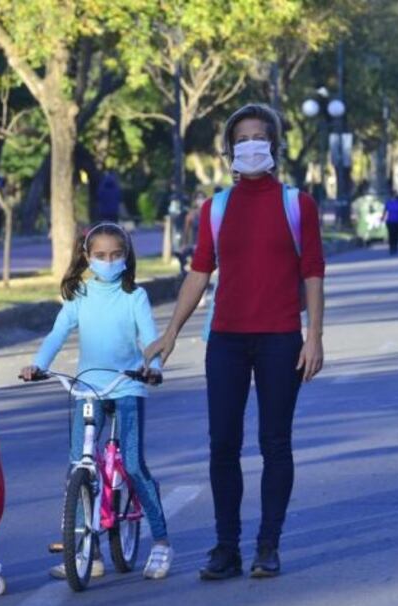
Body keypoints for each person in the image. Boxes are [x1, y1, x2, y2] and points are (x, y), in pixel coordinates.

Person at [145, 104, 325, 581]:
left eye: (258, 137)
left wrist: (315, 338)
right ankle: (226, 547)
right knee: (223, 445)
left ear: (273, 146)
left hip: (281, 340)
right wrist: (171, 332)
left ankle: (268, 544)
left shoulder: (297, 204)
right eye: (240, 139)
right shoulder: (216, 208)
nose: (250, 146)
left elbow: (312, 273)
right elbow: (199, 273)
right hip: (225, 340)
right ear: (228, 151)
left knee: (275, 443)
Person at [21, 222, 172, 580]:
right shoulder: (80, 294)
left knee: (133, 465)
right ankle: (88, 551)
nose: (108, 261)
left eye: (116, 255)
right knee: (80, 465)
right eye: (100, 256)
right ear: (87, 257)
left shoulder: (135, 296)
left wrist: (153, 367)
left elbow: (149, 337)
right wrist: (38, 365)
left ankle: (162, 542)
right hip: (87, 389)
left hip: (127, 387)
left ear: (126, 257)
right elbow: (58, 333)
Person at [178, 190, 206, 274]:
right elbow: (185, 232)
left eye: (202, 198)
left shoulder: (209, 212)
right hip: (195, 244)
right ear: (195, 201)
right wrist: (183, 244)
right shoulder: (191, 214)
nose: (200, 201)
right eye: (198, 198)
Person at [382, 190, 398, 255]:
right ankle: (391, 247)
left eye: (394, 195)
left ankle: (395, 246)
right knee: (391, 234)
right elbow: (385, 211)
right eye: (392, 195)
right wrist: (382, 218)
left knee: (396, 234)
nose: (393, 196)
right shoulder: (388, 202)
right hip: (390, 221)